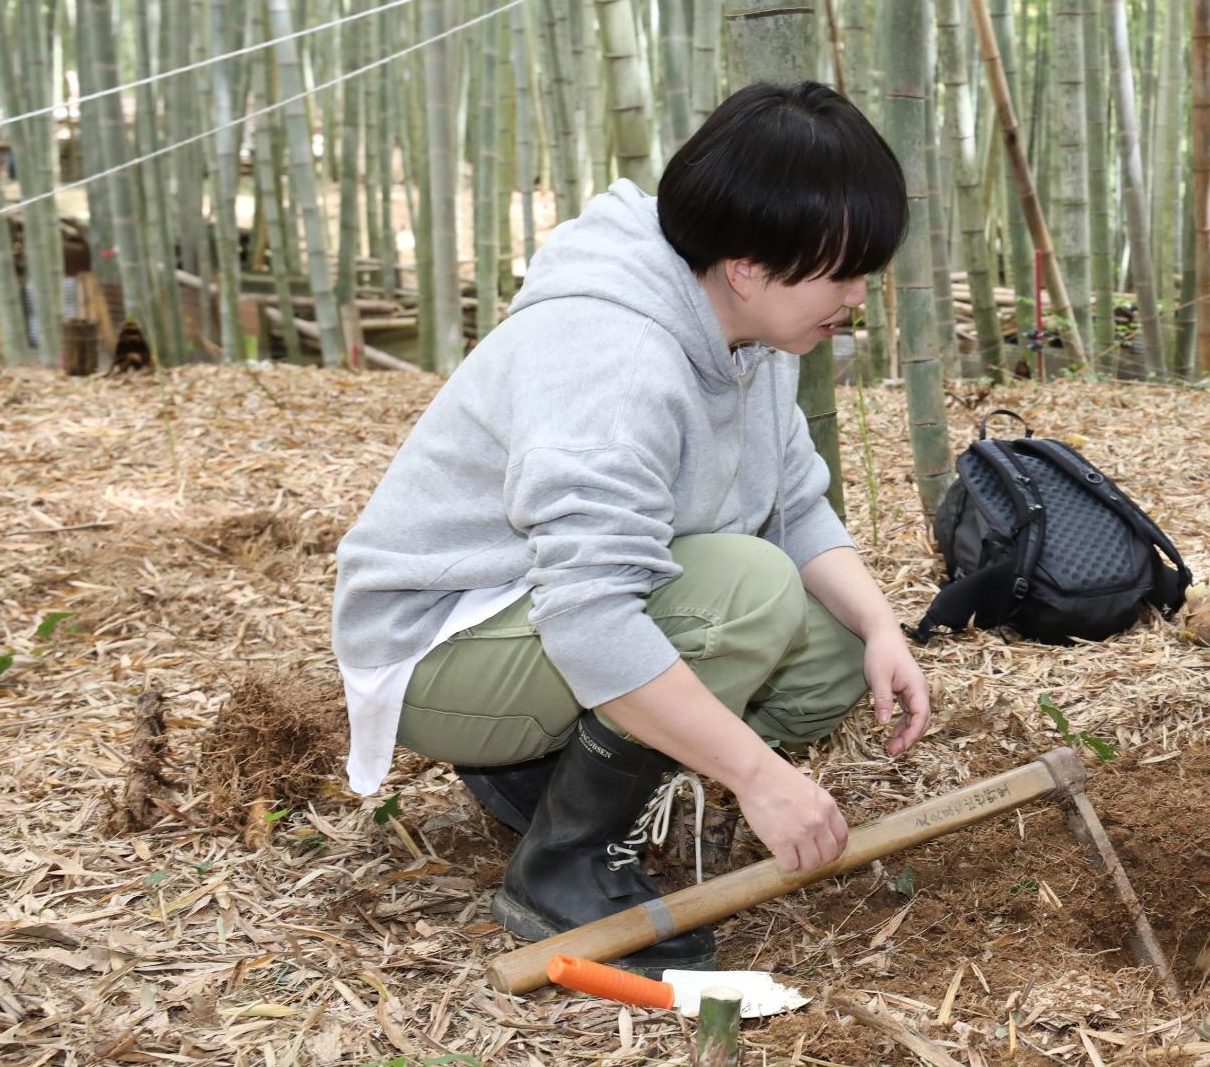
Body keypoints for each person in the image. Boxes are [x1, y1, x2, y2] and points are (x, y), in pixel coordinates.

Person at [331, 81, 932, 973]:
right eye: (842, 273)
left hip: (535, 619)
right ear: (748, 267)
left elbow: (798, 505)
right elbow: (590, 618)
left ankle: (550, 776)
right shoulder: (615, 360)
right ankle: (564, 863)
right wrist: (759, 777)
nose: (856, 295)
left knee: (835, 644)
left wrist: (881, 626)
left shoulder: (751, 334)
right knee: (749, 592)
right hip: (439, 645)